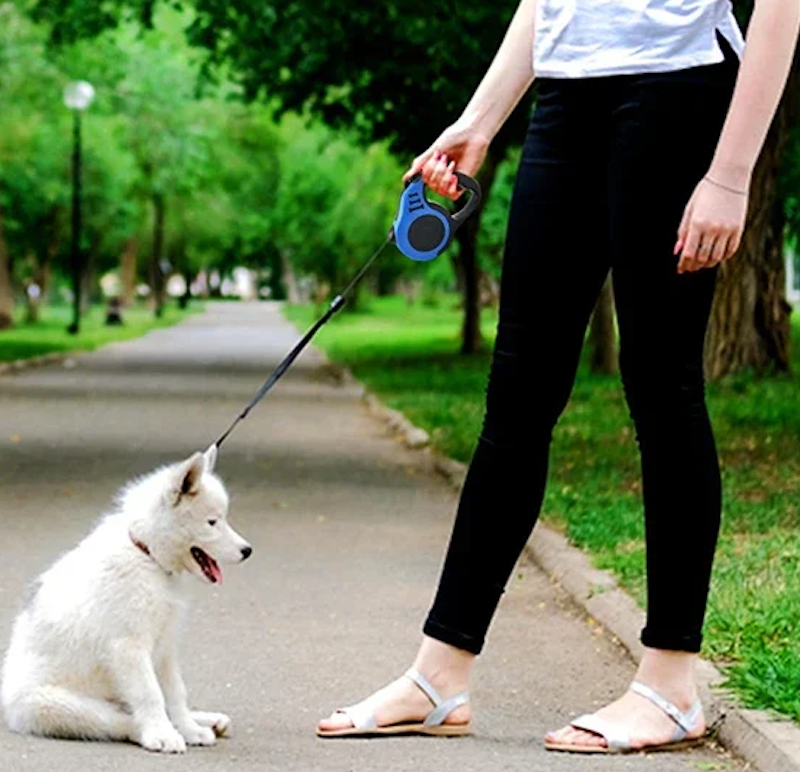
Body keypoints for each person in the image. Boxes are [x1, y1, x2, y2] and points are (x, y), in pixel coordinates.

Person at [318, 0, 800, 754]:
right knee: (515, 400)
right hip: (565, 96)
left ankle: (671, 686)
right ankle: (439, 676)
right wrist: (480, 120)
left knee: (662, 391)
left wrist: (730, 175)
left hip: (679, 87)